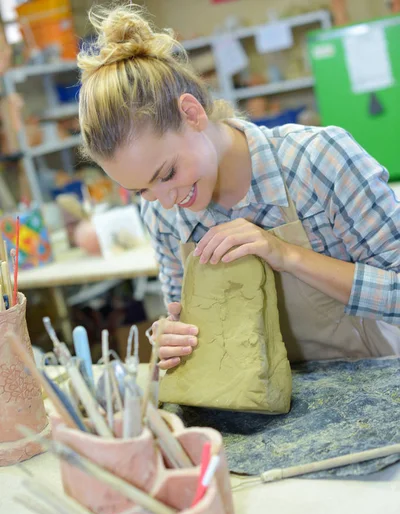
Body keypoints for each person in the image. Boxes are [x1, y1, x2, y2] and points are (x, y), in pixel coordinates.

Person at [78, 4, 400, 369]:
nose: (166, 202)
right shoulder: (162, 212)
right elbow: (188, 322)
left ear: (192, 113)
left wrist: (288, 256)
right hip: (258, 407)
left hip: (369, 391)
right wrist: (173, 336)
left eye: (167, 173)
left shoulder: (317, 161)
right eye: (142, 190)